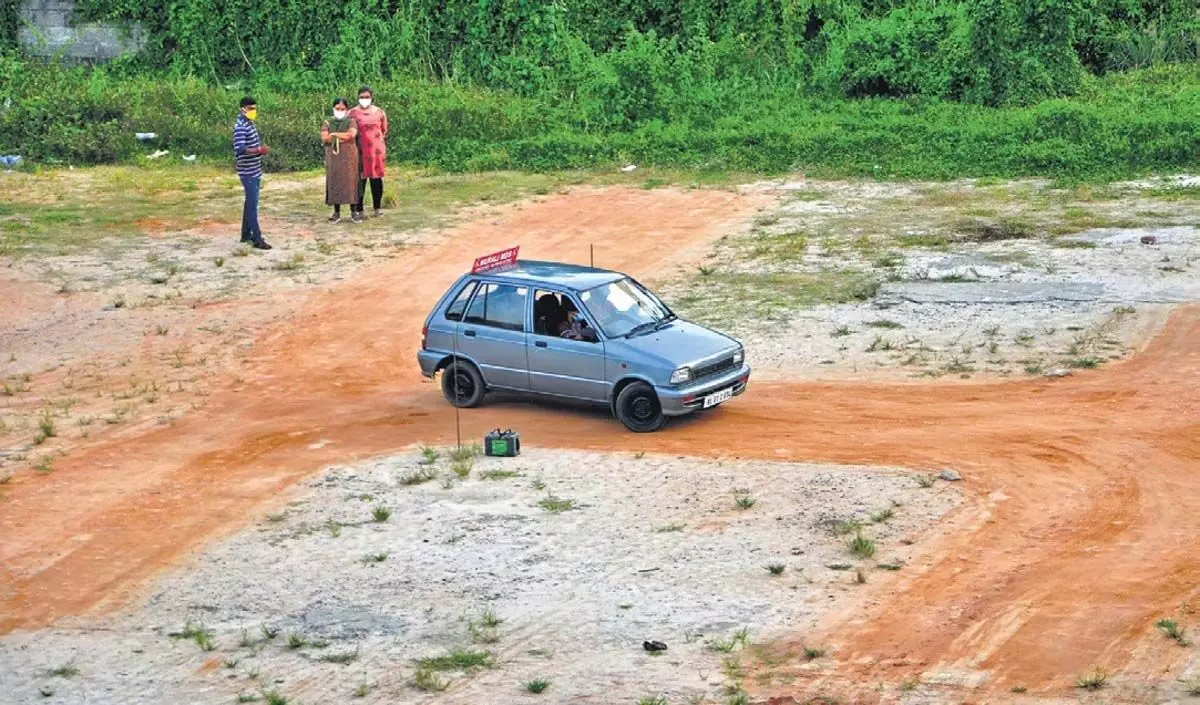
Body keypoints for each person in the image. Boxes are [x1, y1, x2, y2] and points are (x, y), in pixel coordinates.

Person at [232, 96, 272, 249]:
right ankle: (257, 238)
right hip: (247, 171)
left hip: (254, 169)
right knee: (252, 205)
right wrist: (258, 150)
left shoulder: (249, 123)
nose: (253, 111)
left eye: (254, 108)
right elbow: (240, 149)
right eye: (250, 109)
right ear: (242, 108)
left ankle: (245, 234)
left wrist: (258, 151)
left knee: (250, 203)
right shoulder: (241, 126)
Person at [348, 85, 389, 220]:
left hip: (376, 151)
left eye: (367, 97)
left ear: (372, 97)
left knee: (376, 179)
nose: (364, 99)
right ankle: (359, 210)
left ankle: (377, 207)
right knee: (360, 180)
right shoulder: (352, 113)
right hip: (359, 151)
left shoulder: (379, 112)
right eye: (361, 97)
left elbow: (383, 130)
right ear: (358, 98)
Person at [321, 98, 359, 224]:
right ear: (333, 108)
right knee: (334, 181)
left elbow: (351, 135)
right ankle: (336, 213)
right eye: (337, 108)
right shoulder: (327, 122)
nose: (340, 111)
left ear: (347, 110)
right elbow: (325, 138)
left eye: (342, 109)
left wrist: (334, 135)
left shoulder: (351, 121)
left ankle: (354, 212)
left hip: (349, 157)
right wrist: (338, 136)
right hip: (333, 157)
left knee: (351, 181)